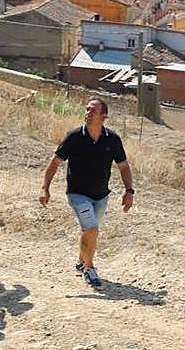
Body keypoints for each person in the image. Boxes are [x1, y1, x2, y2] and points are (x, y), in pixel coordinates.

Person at [39, 98, 135, 289]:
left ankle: (81, 260)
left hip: (101, 195)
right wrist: (45, 187)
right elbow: (55, 162)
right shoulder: (74, 137)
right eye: (87, 109)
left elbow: (123, 167)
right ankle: (89, 269)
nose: (88, 113)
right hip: (77, 194)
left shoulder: (112, 139)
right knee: (91, 229)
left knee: (90, 232)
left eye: (93, 110)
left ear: (103, 116)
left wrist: (129, 191)